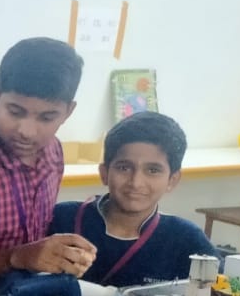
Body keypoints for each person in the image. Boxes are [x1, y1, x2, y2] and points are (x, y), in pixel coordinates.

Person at [0, 37, 97, 289]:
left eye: (47, 117)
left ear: (68, 111)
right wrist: (17, 258)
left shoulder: (54, 152)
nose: (27, 131)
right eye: (15, 112)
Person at [50, 112, 215, 287]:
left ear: (172, 180)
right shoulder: (62, 219)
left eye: (153, 170)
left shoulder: (186, 240)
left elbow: (220, 293)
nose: (135, 183)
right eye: (124, 168)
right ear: (104, 173)